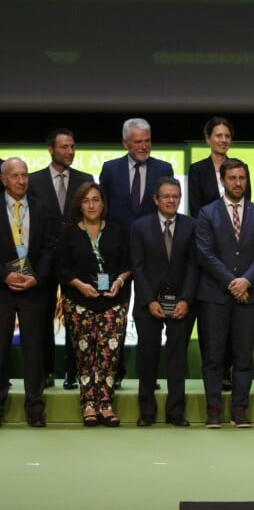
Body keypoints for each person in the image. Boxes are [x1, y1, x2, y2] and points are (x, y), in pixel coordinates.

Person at [196, 158, 254, 429]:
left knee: (243, 357)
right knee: (213, 357)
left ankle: (240, 409)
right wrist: (233, 282)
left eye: (242, 178)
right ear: (222, 181)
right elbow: (204, 253)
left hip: (247, 298)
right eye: (232, 178)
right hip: (214, 297)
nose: (238, 183)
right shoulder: (207, 213)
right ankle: (213, 410)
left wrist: (246, 281)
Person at [99, 117, 174, 387]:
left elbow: (167, 210)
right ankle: (114, 373)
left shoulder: (164, 168)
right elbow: (102, 211)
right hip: (116, 256)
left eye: (147, 141)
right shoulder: (110, 169)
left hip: (152, 255)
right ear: (125, 143)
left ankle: (149, 377)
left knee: (148, 319)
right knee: (114, 316)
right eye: (138, 141)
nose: (144, 146)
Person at [55, 182, 131, 426]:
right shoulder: (68, 232)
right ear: (79, 204)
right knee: (85, 355)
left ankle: (106, 405)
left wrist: (119, 281)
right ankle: (88, 404)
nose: (91, 205)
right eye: (86, 200)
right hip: (79, 302)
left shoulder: (118, 230)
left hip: (113, 302)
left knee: (109, 356)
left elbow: (128, 264)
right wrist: (79, 285)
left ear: (103, 203)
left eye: (96, 199)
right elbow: (61, 268)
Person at [188, 116, 251, 392]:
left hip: (238, 257)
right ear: (207, 139)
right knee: (212, 320)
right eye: (218, 135)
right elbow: (195, 210)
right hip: (210, 255)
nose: (223, 140)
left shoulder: (239, 168)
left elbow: (244, 207)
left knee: (236, 322)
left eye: (227, 135)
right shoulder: (197, 169)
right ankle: (216, 372)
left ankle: (230, 370)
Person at [28, 128, 93, 391]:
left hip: (75, 259)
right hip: (42, 260)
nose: (70, 151)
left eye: (73, 147)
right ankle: (44, 372)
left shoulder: (85, 178)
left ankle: (72, 371)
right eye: (64, 147)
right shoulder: (34, 180)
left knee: (75, 319)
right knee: (42, 318)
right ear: (51, 149)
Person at [131, 177, 198, 427]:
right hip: (148, 303)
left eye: (176, 196)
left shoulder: (191, 225)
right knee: (147, 358)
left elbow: (194, 265)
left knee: (177, 359)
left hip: (182, 303)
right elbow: (137, 267)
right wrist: (149, 300)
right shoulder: (140, 226)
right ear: (155, 199)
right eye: (167, 196)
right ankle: (146, 412)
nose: (172, 201)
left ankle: (176, 413)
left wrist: (187, 300)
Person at [0, 157, 55, 427]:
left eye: (25, 175)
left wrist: (37, 278)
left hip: (33, 290)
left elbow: (48, 249)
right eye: (15, 176)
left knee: (34, 351)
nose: (22, 180)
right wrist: (4, 274)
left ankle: (35, 407)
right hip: (3, 289)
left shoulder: (42, 208)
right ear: (3, 179)